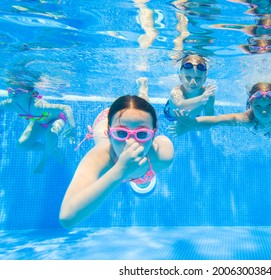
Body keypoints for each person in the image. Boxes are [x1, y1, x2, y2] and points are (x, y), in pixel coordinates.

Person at [59, 94, 174, 228]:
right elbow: (67, 217)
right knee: (136, 116)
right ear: (109, 134)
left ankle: (143, 92)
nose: (130, 143)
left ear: (153, 135)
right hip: (106, 120)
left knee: (141, 108)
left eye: (142, 134)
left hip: (126, 119)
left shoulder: (162, 155)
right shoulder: (101, 155)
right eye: (121, 134)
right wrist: (120, 170)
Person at [0, 81, 76, 173]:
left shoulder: (37, 106)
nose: (13, 93)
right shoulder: (9, 104)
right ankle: (53, 149)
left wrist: (72, 127)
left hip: (55, 119)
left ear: (31, 94)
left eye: (19, 91)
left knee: (51, 135)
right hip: (38, 122)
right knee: (22, 145)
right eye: (9, 90)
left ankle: (43, 162)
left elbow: (66, 107)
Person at [164, 54, 216, 121]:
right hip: (173, 116)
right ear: (180, 78)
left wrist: (193, 125)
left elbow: (210, 119)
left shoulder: (208, 95)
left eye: (198, 78)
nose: (193, 82)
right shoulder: (177, 91)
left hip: (192, 116)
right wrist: (202, 98)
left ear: (204, 79)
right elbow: (179, 106)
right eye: (188, 77)